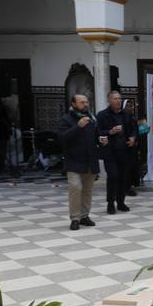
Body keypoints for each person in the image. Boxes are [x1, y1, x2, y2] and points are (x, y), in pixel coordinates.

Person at [56, 94, 99, 231]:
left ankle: (84, 216)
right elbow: (62, 138)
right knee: (75, 188)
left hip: (90, 160)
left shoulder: (92, 118)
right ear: (73, 104)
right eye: (82, 102)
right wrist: (78, 127)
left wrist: (101, 140)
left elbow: (95, 137)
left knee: (87, 190)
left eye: (86, 102)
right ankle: (75, 218)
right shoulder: (66, 119)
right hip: (74, 161)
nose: (85, 104)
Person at [94, 91, 137, 215]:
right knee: (113, 176)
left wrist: (133, 138)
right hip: (110, 152)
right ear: (109, 100)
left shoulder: (127, 114)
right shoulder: (102, 115)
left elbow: (134, 128)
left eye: (119, 98)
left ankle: (121, 202)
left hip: (125, 151)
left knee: (123, 177)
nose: (118, 101)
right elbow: (98, 132)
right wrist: (110, 132)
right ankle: (110, 203)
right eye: (115, 99)